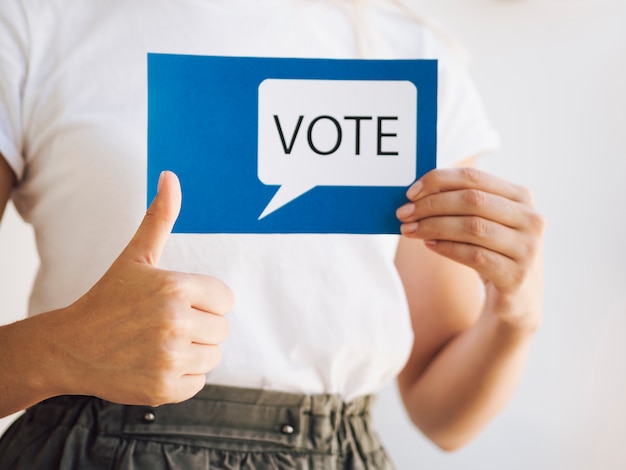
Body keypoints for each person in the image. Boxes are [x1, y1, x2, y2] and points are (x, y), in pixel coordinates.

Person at [0, 0, 545, 468]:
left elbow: (443, 417)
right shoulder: (35, 24)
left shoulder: (406, 50)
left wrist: (514, 313)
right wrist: (64, 349)